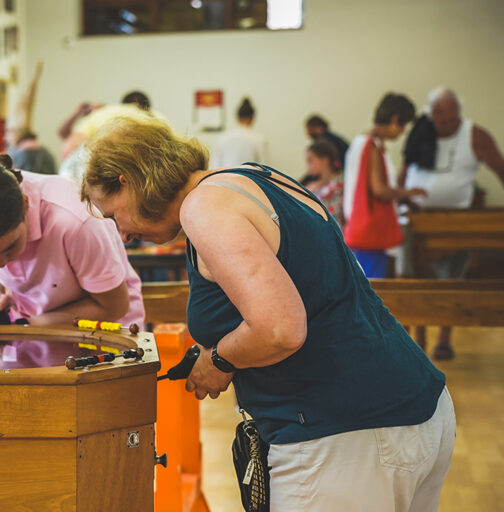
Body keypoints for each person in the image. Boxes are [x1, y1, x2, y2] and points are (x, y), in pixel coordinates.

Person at [81, 115, 453, 511]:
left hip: (346, 435)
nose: (120, 233)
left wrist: (219, 360)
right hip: (413, 407)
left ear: (129, 180)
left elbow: (279, 329)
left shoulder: (203, 207)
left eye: (112, 215)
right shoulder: (252, 177)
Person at [0, 154, 144, 329]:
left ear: (25, 205)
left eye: (9, 247)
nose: (1, 264)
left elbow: (113, 306)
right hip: (32, 329)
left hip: (107, 330)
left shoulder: (76, 222)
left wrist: (30, 324)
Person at [399, 87, 504, 360]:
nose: (446, 121)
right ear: (431, 114)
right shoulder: (421, 132)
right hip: (419, 221)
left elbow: (500, 168)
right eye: (439, 115)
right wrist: (399, 202)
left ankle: (444, 339)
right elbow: (404, 170)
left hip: (455, 221)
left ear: (459, 111)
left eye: (450, 115)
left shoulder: (475, 134)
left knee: (451, 282)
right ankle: (417, 342)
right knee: (416, 283)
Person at [343, 93, 427, 278]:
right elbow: (379, 189)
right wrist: (408, 192)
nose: (402, 132)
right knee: (372, 285)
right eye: (403, 126)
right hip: (371, 229)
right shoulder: (372, 146)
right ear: (395, 120)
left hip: (357, 222)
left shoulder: (359, 142)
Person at [211, 97, 268, 168]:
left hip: (224, 178)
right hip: (249, 178)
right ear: (252, 118)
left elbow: (215, 166)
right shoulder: (259, 139)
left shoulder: (222, 138)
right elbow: (264, 168)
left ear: (237, 117)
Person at [305, 140, 345, 226]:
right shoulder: (313, 185)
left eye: (311, 160)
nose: (308, 167)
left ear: (324, 160)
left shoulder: (339, 184)